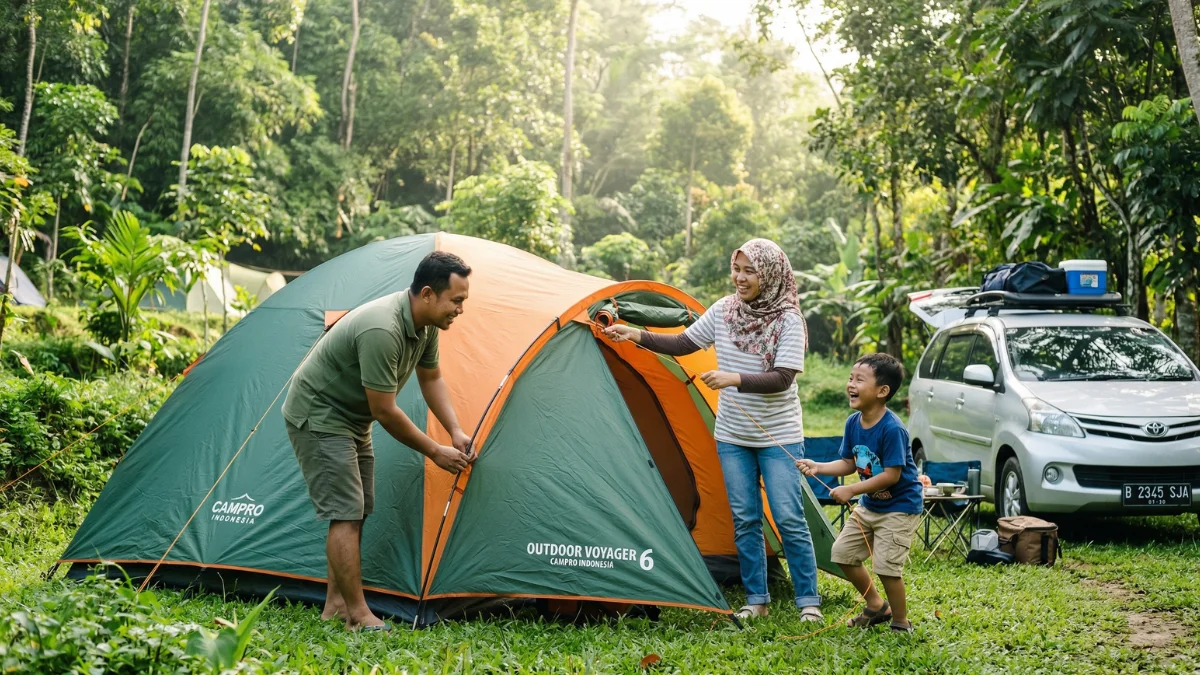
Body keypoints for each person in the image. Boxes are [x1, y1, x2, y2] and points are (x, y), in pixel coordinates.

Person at [604, 238, 823, 623]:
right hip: (733, 435)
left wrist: (732, 378)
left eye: (750, 271)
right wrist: (634, 334)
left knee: (788, 517)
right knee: (745, 518)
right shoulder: (724, 311)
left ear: (769, 274)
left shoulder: (788, 320)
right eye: (736, 269)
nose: (740, 278)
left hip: (778, 434)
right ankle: (757, 599)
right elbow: (685, 342)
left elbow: (783, 379)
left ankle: (808, 601)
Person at [281, 251, 477, 631]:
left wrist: (454, 429)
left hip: (354, 419)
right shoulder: (383, 329)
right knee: (346, 511)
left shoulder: (425, 327)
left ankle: (336, 605)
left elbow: (431, 378)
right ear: (427, 294)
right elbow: (385, 410)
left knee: (358, 509)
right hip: (320, 414)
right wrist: (435, 451)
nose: (460, 309)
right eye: (457, 300)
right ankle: (357, 615)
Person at [797, 353, 922, 633]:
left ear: (882, 391)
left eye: (859, 380)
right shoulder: (853, 423)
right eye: (850, 378)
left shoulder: (892, 429)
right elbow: (849, 463)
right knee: (842, 554)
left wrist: (851, 489)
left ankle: (901, 622)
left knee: (887, 568)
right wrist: (818, 466)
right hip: (870, 506)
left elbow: (892, 475)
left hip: (900, 507)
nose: (851, 384)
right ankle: (876, 606)